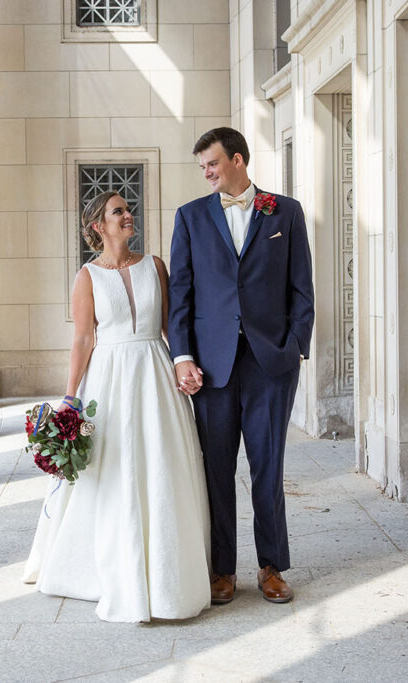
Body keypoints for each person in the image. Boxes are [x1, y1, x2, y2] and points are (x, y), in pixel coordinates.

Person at [22, 191, 211, 623]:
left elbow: (170, 326)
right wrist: (70, 398)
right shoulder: (87, 277)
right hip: (108, 378)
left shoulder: (154, 265)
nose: (129, 215)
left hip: (154, 373)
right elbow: (84, 339)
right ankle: (104, 565)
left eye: (128, 209)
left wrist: (185, 364)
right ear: (98, 226)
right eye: (118, 212)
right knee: (114, 469)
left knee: (162, 462)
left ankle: (169, 564)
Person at [169, 127, 314, 605]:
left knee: (268, 467)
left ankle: (272, 567)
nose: (207, 174)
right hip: (211, 366)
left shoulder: (284, 212)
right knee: (215, 469)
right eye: (203, 168)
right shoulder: (190, 218)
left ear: (237, 159)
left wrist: (293, 346)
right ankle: (221, 570)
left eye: (212, 164)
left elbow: (301, 288)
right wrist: (183, 355)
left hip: (270, 362)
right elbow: (182, 295)